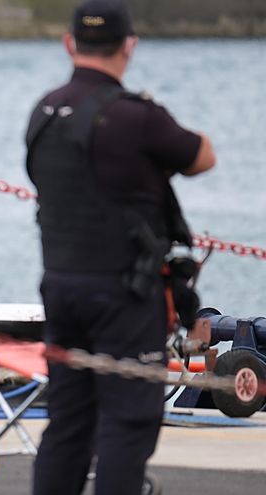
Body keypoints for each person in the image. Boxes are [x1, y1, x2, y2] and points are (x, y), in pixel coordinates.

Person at [24, 1, 216, 494]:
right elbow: (202, 157)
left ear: (70, 44)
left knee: (68, 420)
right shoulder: (137, 117)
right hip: (123, 294)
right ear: (129, 46)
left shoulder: (44, 112)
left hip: (60, 286)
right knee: (128, 423)